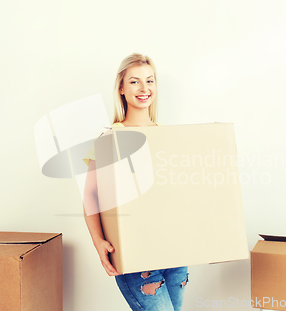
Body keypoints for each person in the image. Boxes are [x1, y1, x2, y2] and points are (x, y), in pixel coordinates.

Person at [82, 53, 189, 311]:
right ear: (121, 87)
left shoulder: (167, 137)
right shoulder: (110, 137)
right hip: (136, 256)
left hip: (175, 255)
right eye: (134, 82)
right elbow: (90, 196)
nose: (144, 89)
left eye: (150, 81)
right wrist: (98, 242)